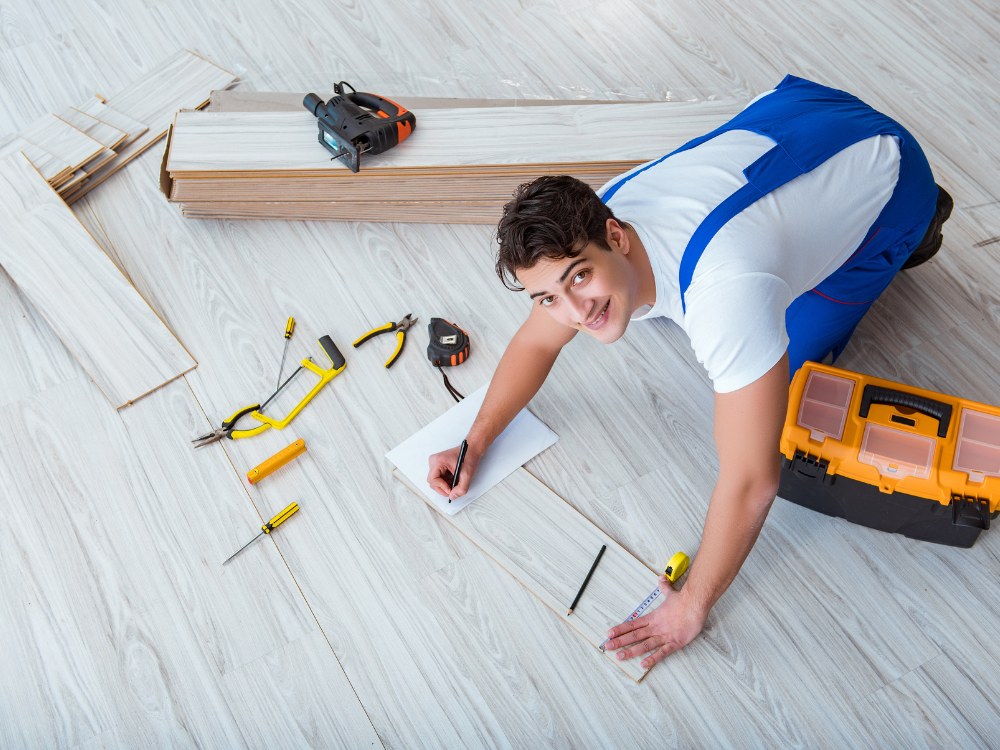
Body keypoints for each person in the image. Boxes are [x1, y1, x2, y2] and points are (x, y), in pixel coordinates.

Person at [426, 75, 953, 669]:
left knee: (792, 375)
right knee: (629, 313)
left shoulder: (727, 297)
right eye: (547, 296)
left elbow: (754, 480)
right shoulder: (593, 219)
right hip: (795, 113)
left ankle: (922, 218)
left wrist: (692, 604)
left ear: (616, 236)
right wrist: (477, 438)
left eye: (579, 277)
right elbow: (536, 344)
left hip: (886, 162)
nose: (571, 312)